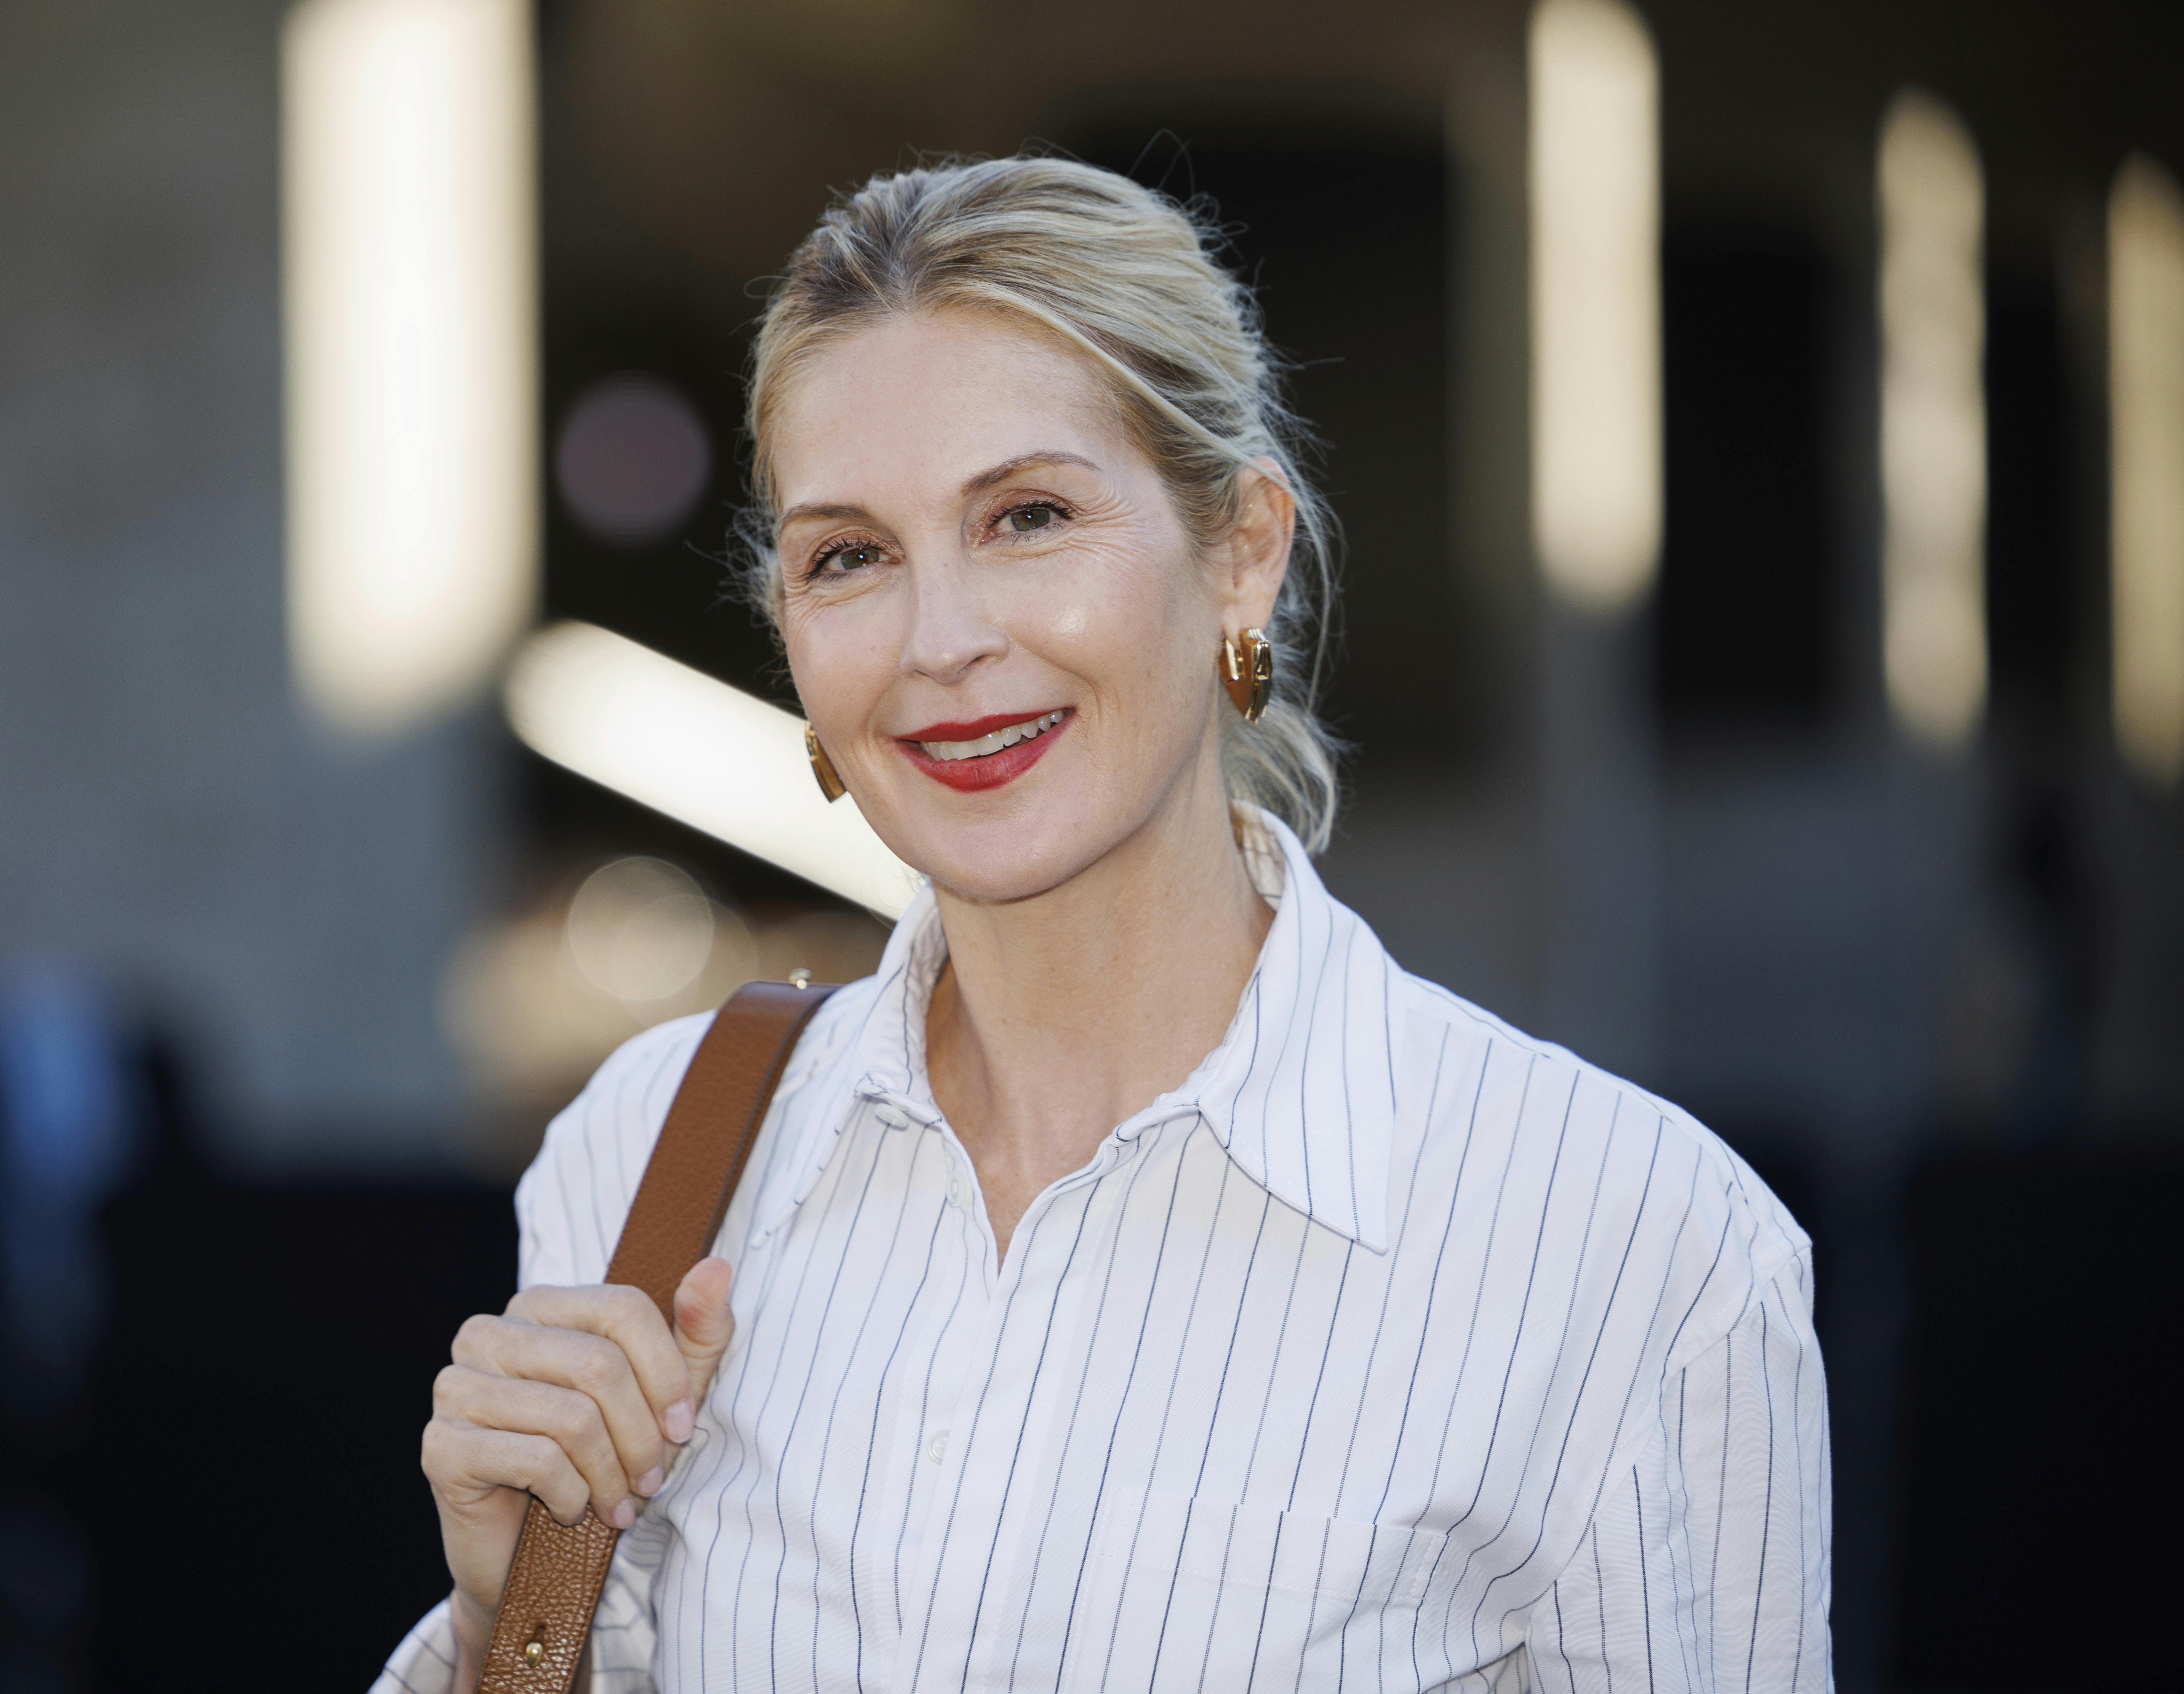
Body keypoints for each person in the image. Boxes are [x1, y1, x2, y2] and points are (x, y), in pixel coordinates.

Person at [378, 157, 1830, 1693]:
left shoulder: (1634, 1250)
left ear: (1239, 552)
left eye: (1027, 516)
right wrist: (503, 1625)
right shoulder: (644, 1161)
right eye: (850, 556)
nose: (940, 644)